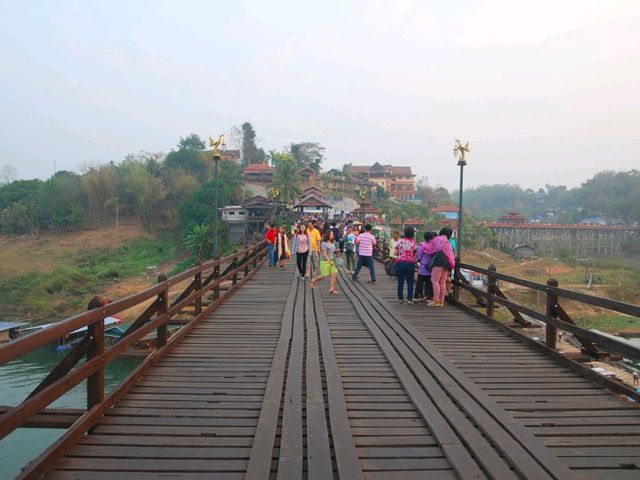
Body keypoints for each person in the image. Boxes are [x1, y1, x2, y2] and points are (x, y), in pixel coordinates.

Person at [424, 227, 456, 307]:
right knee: (442, 281)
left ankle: (436, 300)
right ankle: (441, 301)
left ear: (441, 232)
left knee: (435, 280)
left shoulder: (437, 238)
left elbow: (428, 249)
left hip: (439, 259)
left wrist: (422, 245)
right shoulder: (448, 243)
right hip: (448, 262)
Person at [395, 227, 418, 304]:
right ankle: (409, 299)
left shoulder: (400, 242)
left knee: (400, 281)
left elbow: (395, 253)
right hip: (410, 263)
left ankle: (400, 299)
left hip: (400, 262)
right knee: (410, 282)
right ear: (412, 234)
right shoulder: (414, 243)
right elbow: (416, 255)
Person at [415, 231, 437, 304]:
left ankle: (415, 297)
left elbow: (419, 256)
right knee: (429, 284)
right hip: (430, 268)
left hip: (422, 268)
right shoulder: (433, 247)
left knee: (419, 283)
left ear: (424, 238)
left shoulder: (422, 246)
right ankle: (428, 297)